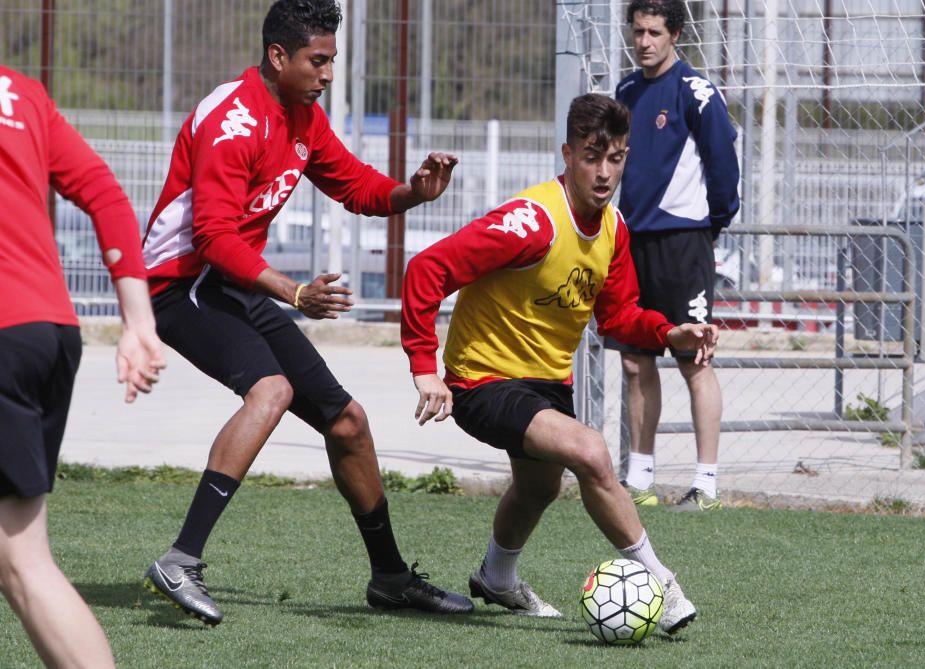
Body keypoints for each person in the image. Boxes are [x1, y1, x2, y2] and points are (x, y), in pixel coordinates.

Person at [139, 0, 472, 626]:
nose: (326, 75)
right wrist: (294, 293)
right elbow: (211, 237)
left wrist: (413, 192)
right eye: (318, 61)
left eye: (331, 62)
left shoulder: (302, 116)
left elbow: (356, 186)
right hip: (177, 285)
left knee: (347, 421)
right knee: (271, 389)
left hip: (231, 286)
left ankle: (392, 578)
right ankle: (180, 559)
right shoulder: (234, 121)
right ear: (278, 56)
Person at [401, 93, 718, 635]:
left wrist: (669, 331)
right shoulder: (531, 222)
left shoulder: (614, 229)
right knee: (590, 451)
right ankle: (662, 583)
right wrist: (424, 366)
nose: (604, 172)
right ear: (568, 154)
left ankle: (496, 577)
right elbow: (428, 268)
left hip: (546, 383)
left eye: (615, 158)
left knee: (539, 488)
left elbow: (619, 317)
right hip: (482, 380)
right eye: (592, 157)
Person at [0, 65, 167, 668]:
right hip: (47, 330)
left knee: (22, 561)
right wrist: (138, 323)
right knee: (20, 559)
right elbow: (104, 192)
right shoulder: (19, 91)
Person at [605, 0, 740, 509]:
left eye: (654, 32)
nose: (644, 41)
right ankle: (639, 479)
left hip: (684, 244)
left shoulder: (697, 93)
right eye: (637, 31)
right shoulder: (624, 92)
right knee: (637, 364)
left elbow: (724, 167)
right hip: (631, 246)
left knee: (695, 361)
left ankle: (705, 483)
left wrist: (711, 225)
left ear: (676, 35)